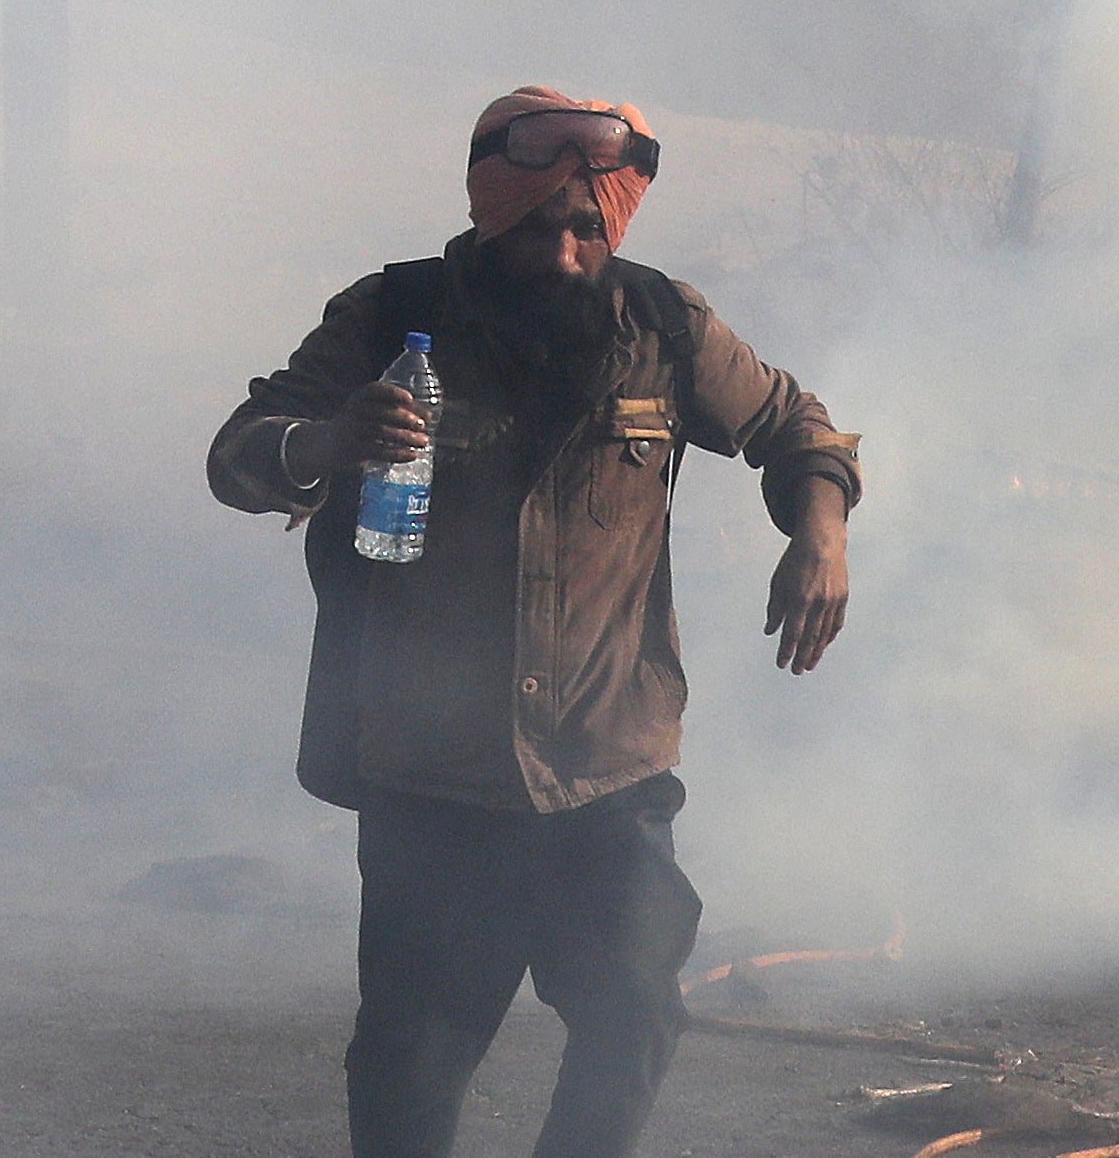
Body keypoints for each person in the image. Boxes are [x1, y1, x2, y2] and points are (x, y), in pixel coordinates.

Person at [211, 87, 862, 1158]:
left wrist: (821, 535)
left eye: (586, 226)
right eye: (538, 222)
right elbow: (238, 451)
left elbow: (800, 428)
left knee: (635, 1013)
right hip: (434, 776)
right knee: (411, 1064)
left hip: (604, 768)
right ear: (487, 213)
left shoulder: (665, 324)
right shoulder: (388, 317)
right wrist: (329, 440)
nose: (563, 248)